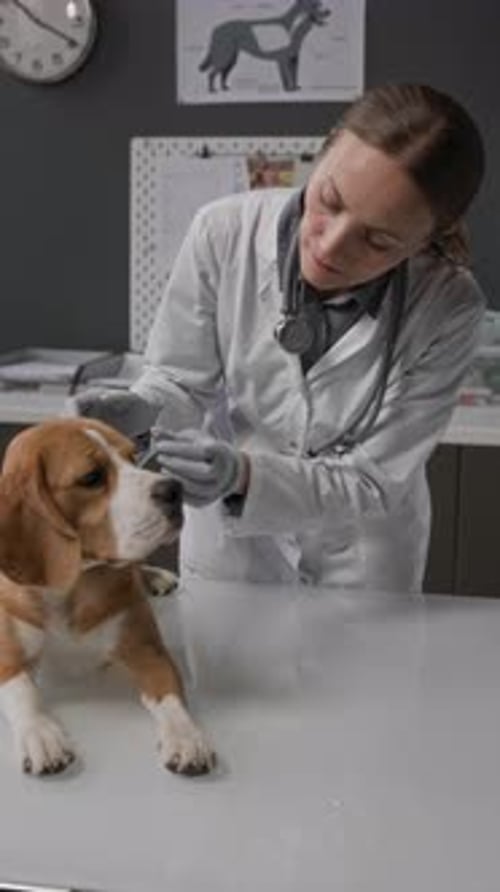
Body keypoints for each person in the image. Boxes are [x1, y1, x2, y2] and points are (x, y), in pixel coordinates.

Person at [72, 83, 486, 592]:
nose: (331, 246)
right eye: (329, 200)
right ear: (326, 146)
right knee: (227, 671)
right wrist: (142, 409)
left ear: (427, 239)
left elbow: (376, 478)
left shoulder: (447, 306)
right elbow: (181, 383)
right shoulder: (222, 233)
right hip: (235, 558)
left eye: (378, 240)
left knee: (367, 675)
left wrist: (244, 476)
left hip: (361, 569)